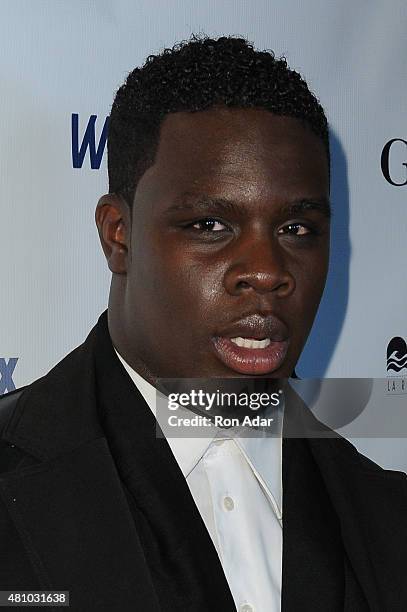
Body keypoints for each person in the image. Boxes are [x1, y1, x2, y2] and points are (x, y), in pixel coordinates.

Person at [0, 35, 406, 612]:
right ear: (119, 233)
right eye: (210, 225)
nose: (267, 273)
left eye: (297, 230)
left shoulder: (387, 517)